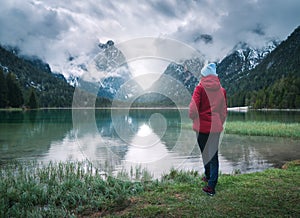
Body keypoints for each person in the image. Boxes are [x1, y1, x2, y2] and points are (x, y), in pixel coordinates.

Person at [189, 62, 227, 196]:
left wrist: (194, 118)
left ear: (204, 74)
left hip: (201, 127)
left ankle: (210, 184)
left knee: (205, 153)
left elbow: (193, 109)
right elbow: (223, 112)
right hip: (215, 128)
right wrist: (217, 122)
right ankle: (210, 180)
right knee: (213, 155)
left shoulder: (199, 88)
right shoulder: (222, 90)